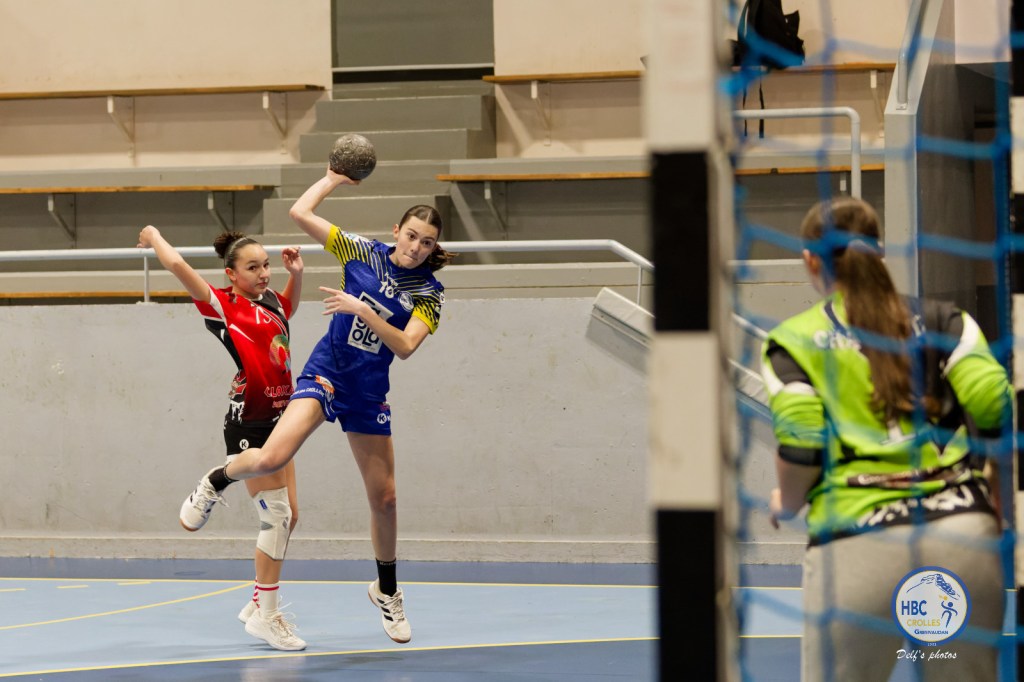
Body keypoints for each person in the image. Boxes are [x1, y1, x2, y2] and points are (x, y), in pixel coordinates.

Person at [178, 168, 453, 645]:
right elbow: (300, 212)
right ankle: (215, 480)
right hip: (327, 372)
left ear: (432, 248)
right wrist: (332, 178)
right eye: (411, 236)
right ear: (397, 231)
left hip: (367, 391)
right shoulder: (361, 251)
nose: (416, 247)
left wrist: (364, 311)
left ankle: (387, 590)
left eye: (426, 242)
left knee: (385, 500)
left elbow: (407, 346)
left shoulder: (429, 293)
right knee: (272, 457)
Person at [760, 197, 1009, 681]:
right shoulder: (946, 322)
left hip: (856, 546)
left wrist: (786, 503)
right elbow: (994, 401)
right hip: (960, 540)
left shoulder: (795, 340)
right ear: (880, 252)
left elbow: (803, 443)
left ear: (811, 260)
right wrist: (994, 494)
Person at [138, 226, 307, 652]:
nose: (263, 273)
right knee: (277, 516)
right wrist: (154, 235)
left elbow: (288, 309)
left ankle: (259, 601)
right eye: (253, 268)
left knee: (290, 517)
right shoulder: (222, 304)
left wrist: (296, 274)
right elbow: (178, 265)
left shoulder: (271, 300)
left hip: (281, 414)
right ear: (231, 274)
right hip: (249, 418)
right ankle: (216, 480)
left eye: (266, 265)